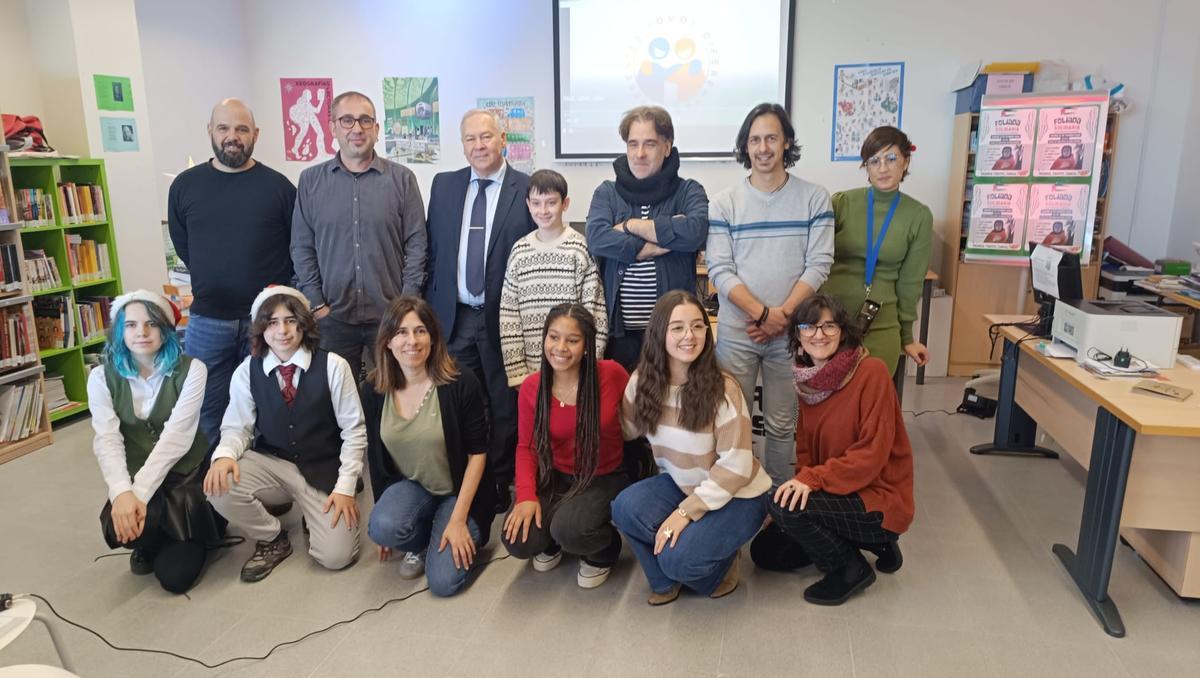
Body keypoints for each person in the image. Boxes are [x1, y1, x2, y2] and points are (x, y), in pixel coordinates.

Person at [749, 295, 914, 606]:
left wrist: (806, 488)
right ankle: (868, 543)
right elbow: (807, 453)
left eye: (829, 326)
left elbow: (871, 456)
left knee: (784, 507)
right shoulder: (808, 384)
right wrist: (797, 490)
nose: (819, 334)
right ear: (797, 335)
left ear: (843, 331)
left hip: (878, 495)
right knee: (766, 552)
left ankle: (851, 567)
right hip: (837, 490)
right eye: (809, 326)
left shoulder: (872, 372)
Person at [611, 291, 770, 605]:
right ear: (660, 333)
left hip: (741, 495)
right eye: (678, 328)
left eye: (698, 327)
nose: (690, 336)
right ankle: (665, 581)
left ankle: (720, 563)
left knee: (678, 559)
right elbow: (626, 430)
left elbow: (736, 469)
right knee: (623, 508)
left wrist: (685, 514)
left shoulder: (723, 388)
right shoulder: (643, 380)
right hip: (685, 484)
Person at [707, 103, 834, 484]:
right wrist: (764, 315)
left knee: (781, 425)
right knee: (733, 425)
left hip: (791, 335)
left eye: (771, 138)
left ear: (787, 143)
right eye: (755, 139)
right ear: (745, 146)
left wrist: (782, 317)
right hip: (736, 334)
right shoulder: (725, 202)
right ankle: (736, 499)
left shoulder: (814, 198)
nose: (763, 148)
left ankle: (778, 507)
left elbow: (820, 262)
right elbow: (720, 269)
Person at [205, 286, 366, 581]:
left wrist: (345, 487)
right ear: (261, 328)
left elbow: (354, 431)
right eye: (272, 321)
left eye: (291, 320)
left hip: (322, 466)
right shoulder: (246, 371)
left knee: (335, 557)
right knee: (219, 484)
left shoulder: (333, 366)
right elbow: (236, 427)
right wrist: (224, 455)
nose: (282, 330)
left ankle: (313, 512)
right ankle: (272, 537)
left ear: (304, 323)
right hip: (273, 463)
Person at [168, 98, 297, 456]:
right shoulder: (185, 186)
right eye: (224, 128)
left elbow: (296, 248)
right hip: (208, 320)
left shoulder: (279, 188)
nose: (232, 137)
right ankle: (218, 482)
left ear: (255, 134)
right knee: (208, 407)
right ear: (210, 132)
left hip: (267, 321)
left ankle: (265, 478)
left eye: (241, 129)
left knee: (270, 403)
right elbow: (184, 245)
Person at [426, 109, 535, 512]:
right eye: (470, 139)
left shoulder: (525, 188)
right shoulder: (444, 185)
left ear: (502, 139)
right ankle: (461, 479)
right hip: (452, 317)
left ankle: (501, 479)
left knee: (503, 402)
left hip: (502, 318)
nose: (479, 146)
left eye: (486, 137)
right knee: (457, 401)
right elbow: (433, 251)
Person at [87, 290, 221, 593]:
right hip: (136, 477)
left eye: (151, 324)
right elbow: (107, 439)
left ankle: (201, 525)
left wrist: (139, 494)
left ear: (166, 329)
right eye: (131, 325)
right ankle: (154, 534)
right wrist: (122, 493)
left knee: (174, 578)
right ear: (120, 330)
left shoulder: (192, 370)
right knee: (120, 529)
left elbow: (177, 438)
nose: (142, 333)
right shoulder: (100, 377)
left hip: (183, 476)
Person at [362, 297, 496, 596]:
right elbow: (376, 456)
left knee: (444, 582)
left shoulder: (460, 381)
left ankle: (448, 527)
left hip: (459, 492)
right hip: (413, 488)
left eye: (420, 331)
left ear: (433, 337)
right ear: (387, 342)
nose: (412, 341)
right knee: (382, 526)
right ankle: (424, 539)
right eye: (402, 332)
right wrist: (385, 516)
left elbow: (478, 454)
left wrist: (459, 519)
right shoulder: (373, 390)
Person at [292, 91, 428, 380]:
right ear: (332, 127)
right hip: (332, 319)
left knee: (393, 396)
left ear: (377, 129)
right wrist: (317, 304)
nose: (357, 129)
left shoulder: (402, 179)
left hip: (389, 317)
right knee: (336, 401)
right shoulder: (311, 181)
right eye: (347, 120)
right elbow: (301, 246)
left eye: (366, 121)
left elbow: (417, 244)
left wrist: (405, 304)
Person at [502, 304, 629, 589]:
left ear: (586, 346)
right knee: (518, 538)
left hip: (604, 475)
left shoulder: (611, 374)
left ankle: (603, 551)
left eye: (572, 340)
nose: (561, 347)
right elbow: (526, 447)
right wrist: (525, 496)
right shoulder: (533, 386)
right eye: (553, 337)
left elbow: (642, 415)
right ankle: (551, 541)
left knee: (570, 528)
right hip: (556, 474)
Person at [585, 106, 709, 372]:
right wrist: (647, 247)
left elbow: (695, 231)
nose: (639, 154)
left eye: (649, 144)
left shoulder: (688, 191)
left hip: (674, 337)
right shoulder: (607, 193)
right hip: (619, 338)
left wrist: (630, 225)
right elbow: (596, 238)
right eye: (633, 144)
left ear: (667, 146)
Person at [822, 126, 933, 376]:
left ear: (906, 161)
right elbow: (813, 259)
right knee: (828, 408)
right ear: (866, 167)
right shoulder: (843, 203)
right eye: (874, 160)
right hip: (828, 323)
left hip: (880, 325)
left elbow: (910, 282)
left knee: (871, 405)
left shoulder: (918, 216)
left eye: (891, 158)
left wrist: (907, 336)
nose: (883, 168)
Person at [499, 170, 607, 387]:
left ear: (565, 204)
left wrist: (589, 367)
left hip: (574, 371)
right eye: (536, 203)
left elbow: (596, 315)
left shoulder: (580, 249)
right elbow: (508, 315)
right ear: (528, 204)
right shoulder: (519, 251)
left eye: (551, 202)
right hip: (531, 373)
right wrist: (518, 374)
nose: (543, 210)